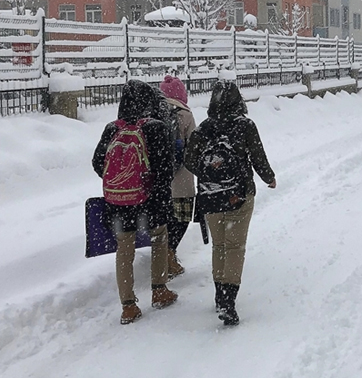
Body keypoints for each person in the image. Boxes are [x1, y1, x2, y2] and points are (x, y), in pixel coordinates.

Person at [184, 80, 276, 326]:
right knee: (235, 247)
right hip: (239, 195)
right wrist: (269, 177)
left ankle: (218, 294)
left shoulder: (204, 128)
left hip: (210, 196)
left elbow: (189, 160)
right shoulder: (245, 125)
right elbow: (258, 156)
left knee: (220, 246)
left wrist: (209, 171)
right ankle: (228, 300)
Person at [92, 79, 178, 325]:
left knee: (124, 250)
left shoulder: (112, 128)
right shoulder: (156, 127)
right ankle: (159, 290)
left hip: (118, 202)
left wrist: (121, 181)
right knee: (160, 238)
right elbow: (165, 168)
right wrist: (151, 188)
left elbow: (98, 162)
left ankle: (128, 306)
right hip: (150, 200)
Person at [159, 75, 197, 281]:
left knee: (162, 219)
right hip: (181, 179)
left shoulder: (153, 112)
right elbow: (195, 146)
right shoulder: (185, 114)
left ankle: (162, 254)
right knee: (181, 218)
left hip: (159, 180)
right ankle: (170, 253)